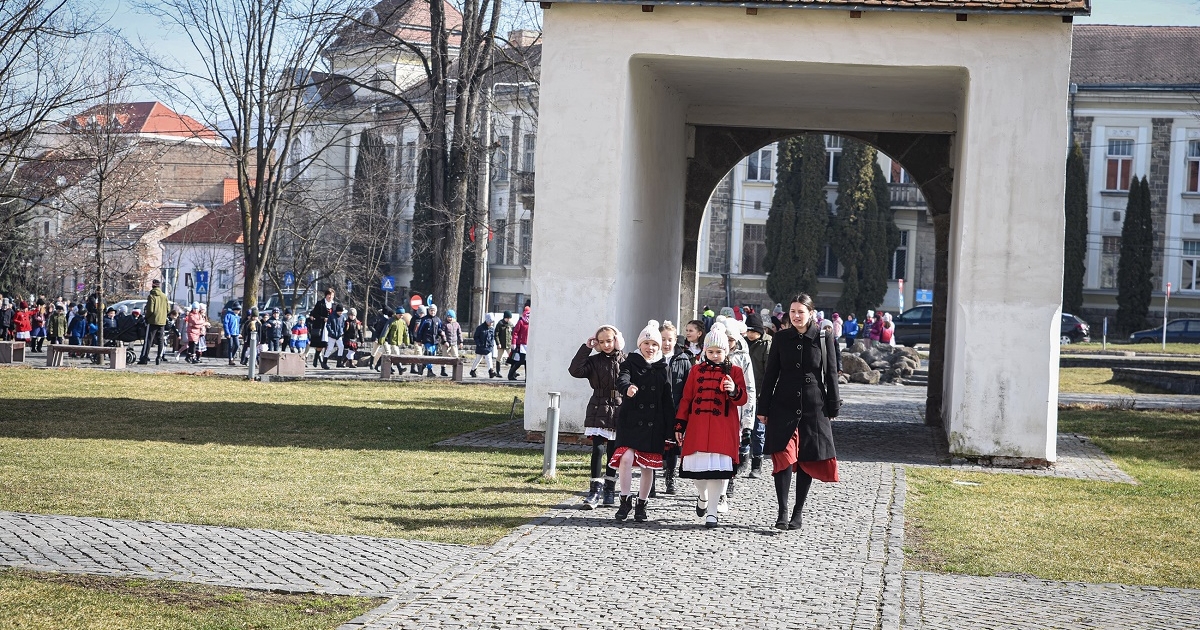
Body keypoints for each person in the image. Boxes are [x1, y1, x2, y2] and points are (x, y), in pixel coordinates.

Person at [757, 293, 840, 531]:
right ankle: (782, 511)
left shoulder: (823, 337)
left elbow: (831, 373)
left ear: (811, 313)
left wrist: (833, 405)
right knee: (784, 456)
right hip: (783, 403)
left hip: (814, 406)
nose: (796, 316)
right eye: (792, 311)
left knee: (806, 458)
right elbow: (770, 374)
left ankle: (797, 511)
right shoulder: (781, 338)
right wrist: (763, 407)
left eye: (800, 312)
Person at [675, 322, 748, 528]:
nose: (715, 355)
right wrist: (680, 424)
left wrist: (733, 390)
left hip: (722, 429)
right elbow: (686, 399)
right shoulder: (695, 371)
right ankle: (702, 495)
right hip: (697, 428)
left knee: (717, 473)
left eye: (719, 351)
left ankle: (713, 513)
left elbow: (743, 399)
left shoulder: (735, 371)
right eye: (711, 351)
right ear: (705, 351)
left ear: (726, 351)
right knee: (697, 474)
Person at [611, 320, 672, 523]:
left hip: (654, 423)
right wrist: (627, 388)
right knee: (626, 459)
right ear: (640, 344)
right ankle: (624, 500)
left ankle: (642, 504)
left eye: (654, 344)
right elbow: (622, 379)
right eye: (646, 343)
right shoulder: (630, 362)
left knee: (648, 466)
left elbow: (668, 399)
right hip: (631, 419)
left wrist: (671, 427)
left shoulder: (663, 367)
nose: (650, 347)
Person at [568, 324, 626, 509]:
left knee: (613, 452)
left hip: (619, 408)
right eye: (601, 342)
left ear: (616, 340)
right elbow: (575, 370)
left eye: (609, 340)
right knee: (598, 449)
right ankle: (594, 490)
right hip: (598, 407)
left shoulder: (626, 360)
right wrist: (586, 348)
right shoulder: (593, 361)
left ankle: (610, 488)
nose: (606, 345)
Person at [716, 317, 756, 507]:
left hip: (736, 409)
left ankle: (728, 480)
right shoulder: (713, 354)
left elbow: (750, 389)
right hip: (715, 410)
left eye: (731, 339)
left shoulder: (742, 358)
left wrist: (748, 422)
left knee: (731, 448)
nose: (728, 343)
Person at [660, 320, 695, 496]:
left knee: (673, 445)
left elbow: (688, 388)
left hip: (675, 408)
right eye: (663, 339)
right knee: (655, 445)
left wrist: (683, 409)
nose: (666, 343)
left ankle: (670, 476)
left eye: (670, 340)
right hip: (657, 409)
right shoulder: (653, 358)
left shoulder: (683, 360)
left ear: (675, 341)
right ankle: (650, 481)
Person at [743, 312, 771, 478]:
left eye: (753, 331)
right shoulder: (743, 343)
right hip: (744, 392)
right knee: (743, 429)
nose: (750, 334)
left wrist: (767, 394)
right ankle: (742, 460)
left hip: (760, 393)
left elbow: (770, 372)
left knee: (759, 431)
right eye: (748, 331)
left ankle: (757, 464)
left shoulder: (767, 344)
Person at [309, 288, 337, 368]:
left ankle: (324, 363)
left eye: (332, 295)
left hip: (330, 327)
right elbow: (315, 314)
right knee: (320, 344)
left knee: (328, 345)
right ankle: (316, 357)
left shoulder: (334, 305)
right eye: (329, 295)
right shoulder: (320, 303)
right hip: (321, 326)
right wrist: (323, 318)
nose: (330, 297)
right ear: (326, 295)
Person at [376, 310, 409, 375]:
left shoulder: (402, 322)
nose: (401, 316)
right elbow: (385, 330)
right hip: (387, 340)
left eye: (402, 315)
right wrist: (382, 339)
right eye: (400, 315)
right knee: (388, 353)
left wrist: (406, 341)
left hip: (395, 341)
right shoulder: (391, 321)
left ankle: (399, 369)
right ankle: (390, 368)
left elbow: (405, 332)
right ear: (396, 314)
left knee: (396, 354)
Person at [415, 304, 443, 376]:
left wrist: (441, 334)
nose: (432, 312)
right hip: (427, 339)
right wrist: (419, 340)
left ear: (436, 311)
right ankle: (429, 370)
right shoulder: (425, 319)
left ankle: (422, 367)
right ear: (429, 311)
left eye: (434, 311)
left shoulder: (438, 320)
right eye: (431, 310)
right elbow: (420, 330)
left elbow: (440, 329)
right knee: (429, 353)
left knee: (433, 355)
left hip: (435, 340)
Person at [469, 314, 497, 378]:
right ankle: (472, 370)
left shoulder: (492, 329)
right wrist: (478, 344)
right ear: (486, 320)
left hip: (488, 347)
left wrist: (491, 345)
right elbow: (476, 337)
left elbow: (492, 337)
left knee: (489, 358)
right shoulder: (480, 328)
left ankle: (491, 371)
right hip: (481, 346)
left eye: (492, 322)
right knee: (478, 359)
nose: (491, 323)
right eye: (490, 322)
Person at [320, 304, 346, 369]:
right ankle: (324, 362)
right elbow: (328, 325)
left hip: (339, 335)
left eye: (341, 312)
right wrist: (332, 332)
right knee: (330, 348)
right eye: (340, 311)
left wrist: (341, 332)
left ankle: (339, 362)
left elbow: (342, 326)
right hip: (332, 335)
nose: (341, 313)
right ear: (337, 311)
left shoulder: (342, 317)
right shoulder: (331, 316)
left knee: (341, 346)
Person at [439, 309, 462, 377]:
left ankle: (456, 370)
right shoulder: (444, 324)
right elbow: (443, 334)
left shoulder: (457, 324)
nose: (449, 318)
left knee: (455, 356)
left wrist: (461, 342)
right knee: (444, 356)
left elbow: (459, 333)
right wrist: (445, 341)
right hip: (446, 343)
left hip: (454, 343)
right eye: (448, 317)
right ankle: (443, 370)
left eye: (451, 317)